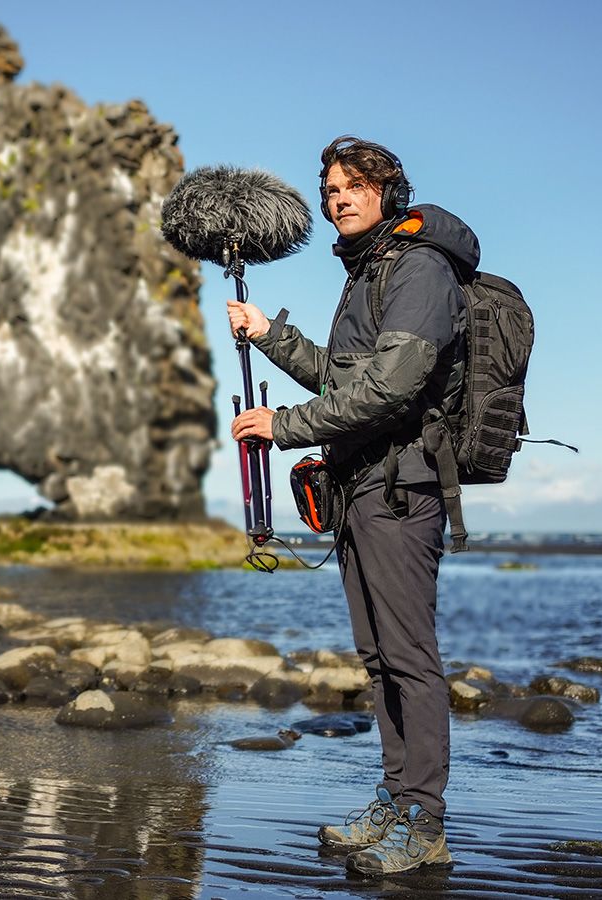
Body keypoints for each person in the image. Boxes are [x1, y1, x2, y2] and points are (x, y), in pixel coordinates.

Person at [227, 135, 478, 875]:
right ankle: (397, 801)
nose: (337, 197)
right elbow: (341, 381)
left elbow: (393, 389)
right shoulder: (368, 270)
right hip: (362, 486)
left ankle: (424, 822)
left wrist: (284, 428)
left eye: (353, 186)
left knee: (410, 659)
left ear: (387, 192)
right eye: (330, 187)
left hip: (403, 488)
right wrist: (271, 335)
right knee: (378, 660)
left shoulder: (419, 269)